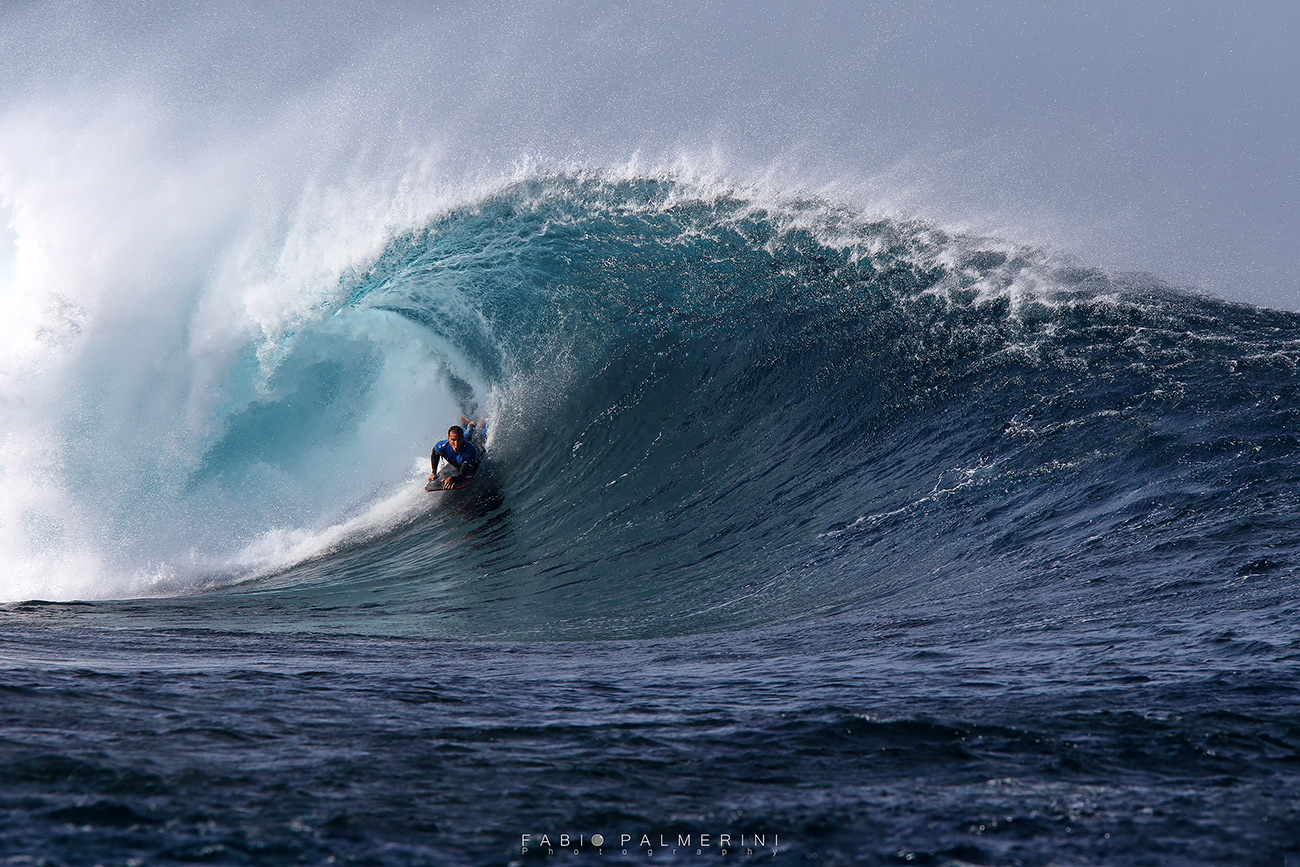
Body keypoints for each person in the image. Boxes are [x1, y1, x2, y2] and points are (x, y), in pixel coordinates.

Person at [429, 423, 481, 490]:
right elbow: (434, 453)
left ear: (462, 438)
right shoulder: (441, 446)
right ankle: (470, 424)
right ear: (448, 438)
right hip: (460, 456)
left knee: (468, 435)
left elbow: (466, 473)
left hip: (471, 453)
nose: (456, 444)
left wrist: (453, 479)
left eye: (459, 440)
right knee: (467, 435)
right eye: (453, 440)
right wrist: (433, 472)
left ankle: (471, 425)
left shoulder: (469, 451)